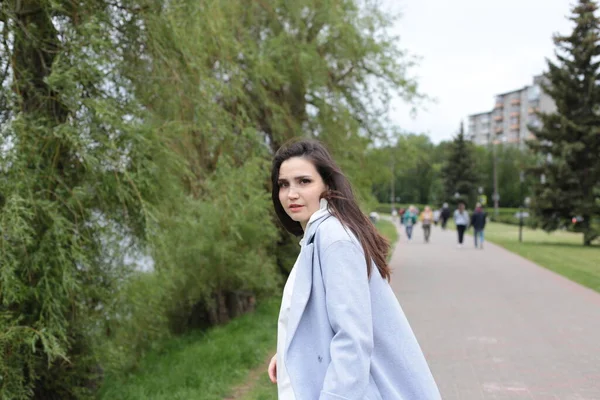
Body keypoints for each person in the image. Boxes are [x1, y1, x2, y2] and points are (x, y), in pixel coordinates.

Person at [268, 139, 441, 400]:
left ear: (327, 185)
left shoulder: (335, 240)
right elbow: (320, 315)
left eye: (304, 181)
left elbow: (353, 338)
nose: (291, 193)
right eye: (284, 184)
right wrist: (291, 350)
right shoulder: (318, 236)